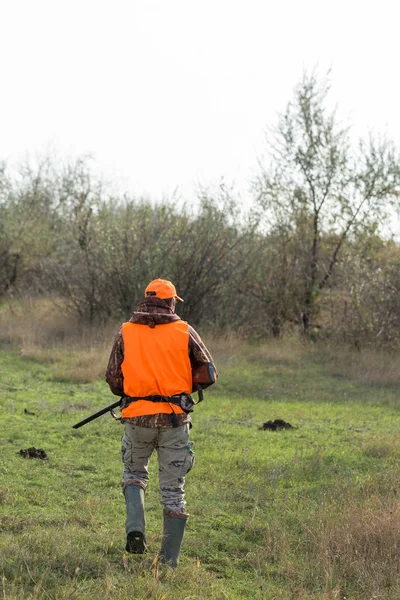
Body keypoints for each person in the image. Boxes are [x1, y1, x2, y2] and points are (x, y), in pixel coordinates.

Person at [105, 278, 217, 568]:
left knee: (134, 473)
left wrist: (133, 393)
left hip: (136, 418)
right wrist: (181, 389)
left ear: (145, 300)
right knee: (173, 491)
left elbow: (113, 378)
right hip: (174, 420)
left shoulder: (125, 331)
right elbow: (209, 373)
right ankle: (168, 563)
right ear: (170, 302)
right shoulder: (184, 330)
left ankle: (135, 530)